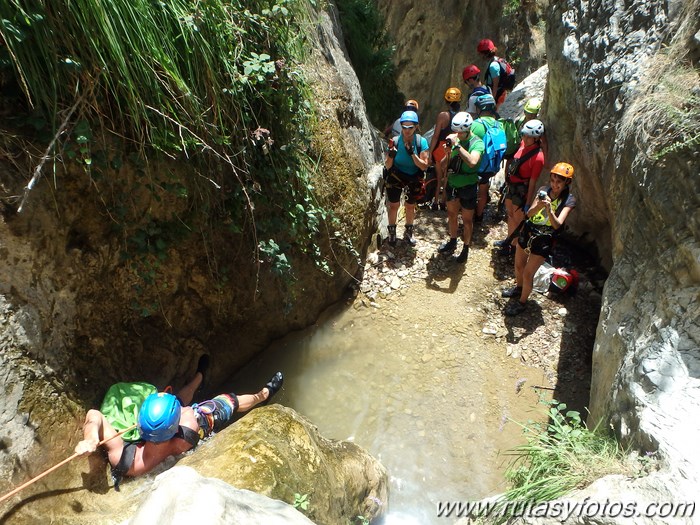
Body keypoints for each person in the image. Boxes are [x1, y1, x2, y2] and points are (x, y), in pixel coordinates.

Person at [74, 360, 284, 487]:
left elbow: (95, 415)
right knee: (229, 400)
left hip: (171, 430)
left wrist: (91, 439)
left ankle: (199, 378)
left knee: (180, 400)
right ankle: (263, 395)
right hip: (192, 430)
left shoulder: (125, 460)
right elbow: (183, 410)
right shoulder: (190, 422)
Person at [501, 162, 576, 316]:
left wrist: (549, 209)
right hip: (529, 231)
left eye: (559, 182)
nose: (555, 185)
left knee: (528, 273)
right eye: (553, 181)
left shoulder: (569, 200)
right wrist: (540, 205)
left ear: (567, 183)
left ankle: (522, 303)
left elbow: (557, 225)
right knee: (519, 266)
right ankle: (519, 288)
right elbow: (529, 214)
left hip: (544, 239)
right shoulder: (543, 190)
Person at [436, 112, 484, 263]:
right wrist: (447, 153)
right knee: (451, 214)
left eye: (461, 132)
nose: (458, 134)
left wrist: (457, 147)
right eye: (456, 131)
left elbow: (472, 162)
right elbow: (443, 165)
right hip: (453, 184)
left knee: (467, 220)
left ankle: (466, 247)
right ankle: (452, 240)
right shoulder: (454, 139)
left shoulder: (477, 143)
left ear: (468, 129)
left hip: (468, 186)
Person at [496, 119, 546, 257]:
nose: (525, 138)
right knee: (510, 215)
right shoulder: (523, 144)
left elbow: (533, 182)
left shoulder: (538, 158)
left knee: (519, 221)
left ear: (536, 138)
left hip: (521, 190)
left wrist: (528, 203)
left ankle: (515, 249)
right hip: (512, 186)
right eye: (524, 135)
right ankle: (509, 241)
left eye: (529, 136)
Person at [384, 110, 430, 246]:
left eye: (410, 127)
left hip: (413, 176)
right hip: (396, 175)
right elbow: (387, 166)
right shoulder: (395, 142)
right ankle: (392, 232)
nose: (407, 130)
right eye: (404, 127)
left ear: (416, 127)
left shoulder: (421, 142)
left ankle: (409, 231)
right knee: (394, 205)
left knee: (410, 206)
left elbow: (423, 166)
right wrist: (391, 156)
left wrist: (412, 153)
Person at [470, 93, 504, 222]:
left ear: (480, 108)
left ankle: (470, 214)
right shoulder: (499, 125)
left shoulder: (476, 125)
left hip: (476, 165)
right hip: (491, 166)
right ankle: (479, 215)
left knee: (472, 190)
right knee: (484, 189)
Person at [428, 87, 462, 211]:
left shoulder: (443, 115)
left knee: (438, 177)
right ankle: (444, 202)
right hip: (452, 147)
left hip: (440, 148)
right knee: (447, 176)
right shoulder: (461, 117)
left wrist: (430, 152)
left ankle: (435, 201)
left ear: (446, 101)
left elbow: (436, 136)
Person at [476, 39, 509, 109]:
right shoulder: (496, 59)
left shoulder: (493, 66)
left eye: (480, 53)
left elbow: (495, 86)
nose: (479, 55)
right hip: (501, 94)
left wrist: (492, 101)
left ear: (485, 53)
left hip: (499, 97)